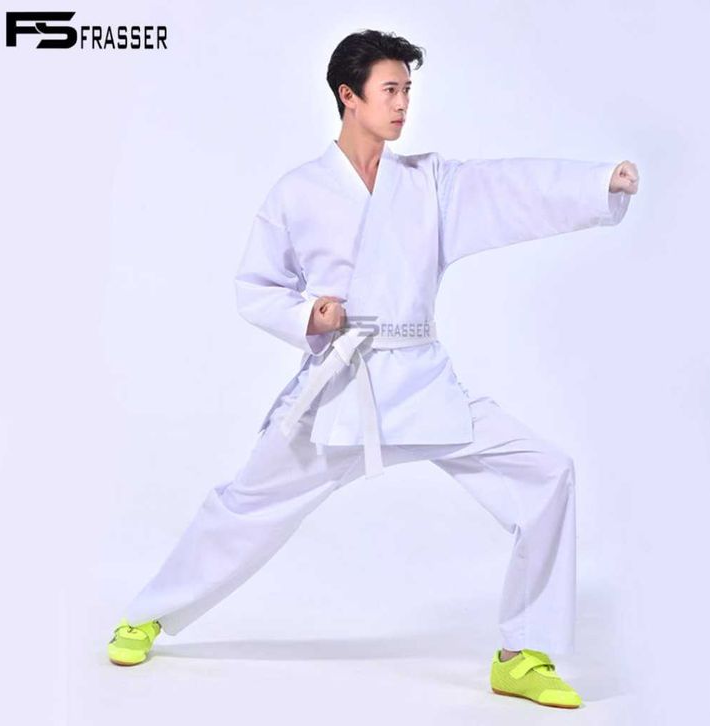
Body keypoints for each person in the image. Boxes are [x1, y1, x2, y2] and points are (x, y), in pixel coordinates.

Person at [107, 29, 638, 709]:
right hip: (340, 387)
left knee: (545, 471)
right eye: (390, 90)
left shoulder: (429, 182)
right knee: (247, 504)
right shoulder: (298, 192)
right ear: (348, 96)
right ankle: (147, 615)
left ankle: (523, 653)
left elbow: (509, 188)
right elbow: (256, 286)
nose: (403, 104)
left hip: (421, 380)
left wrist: (597, 184)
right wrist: (310, 316)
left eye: (407, 90)